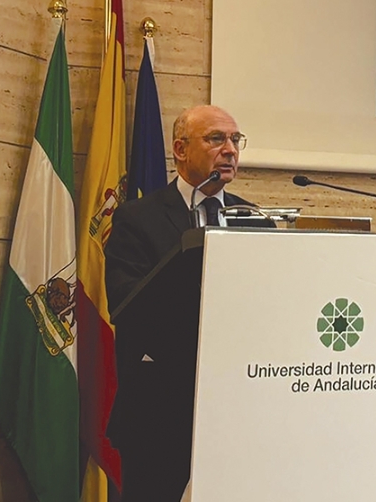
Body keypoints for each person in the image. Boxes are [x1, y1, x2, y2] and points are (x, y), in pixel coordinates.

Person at [104, 105, 274, 501]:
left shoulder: (255, 220)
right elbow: (127, 306)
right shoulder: (137, 218)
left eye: (235, 139)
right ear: (180, 150)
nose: (230, 150)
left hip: (239, 408)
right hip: (160, 412)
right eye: (216, 139)